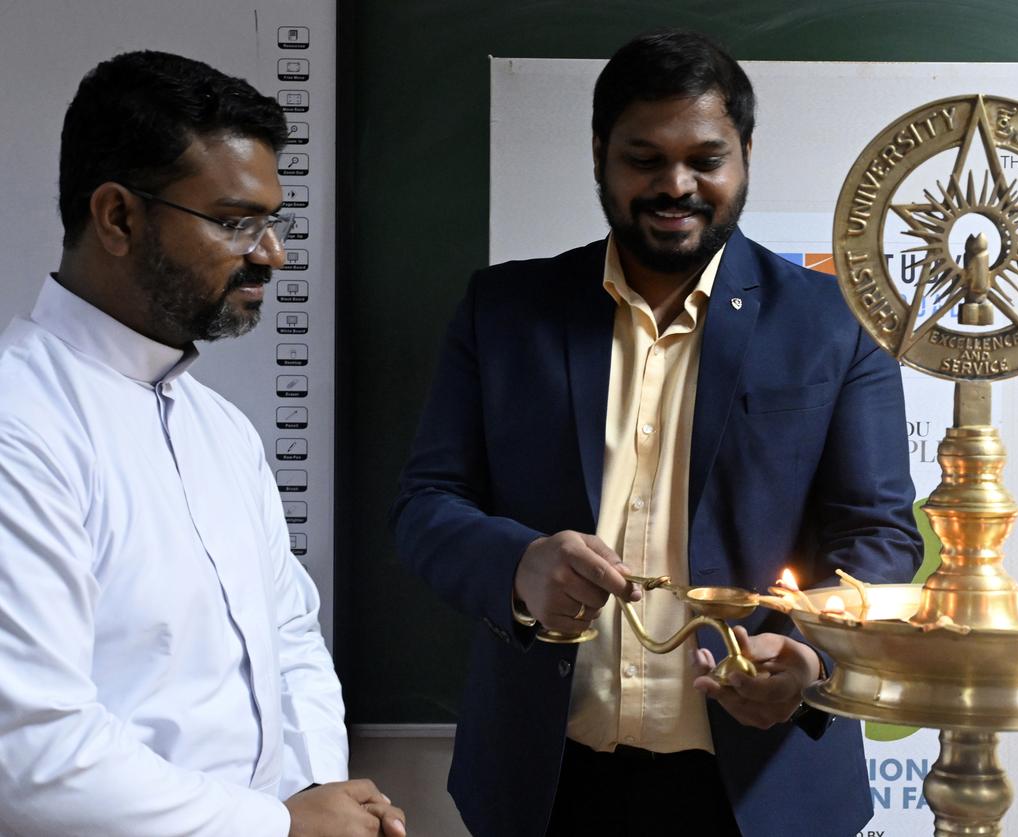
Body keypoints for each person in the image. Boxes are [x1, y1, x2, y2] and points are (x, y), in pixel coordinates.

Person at [391, 29, 920, 837]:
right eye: (645, 158)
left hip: (764, 790)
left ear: (745, 154)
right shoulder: (503, 312)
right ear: (601, 153)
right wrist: (518, 565)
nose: (676, 185)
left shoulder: (834, 324)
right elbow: (426, 506)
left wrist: (809, 660)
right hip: (545, 784)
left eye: (706, 159)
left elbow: (878, 537)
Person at [0, 51, 405, 837]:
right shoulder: (20, 424)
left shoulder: (220, 428)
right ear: (118, 217)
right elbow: (32, 752)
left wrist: (323, 792)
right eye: (234, 222)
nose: (272, 254)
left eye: (272, 220)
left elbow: (289, 637)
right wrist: (279, 825)